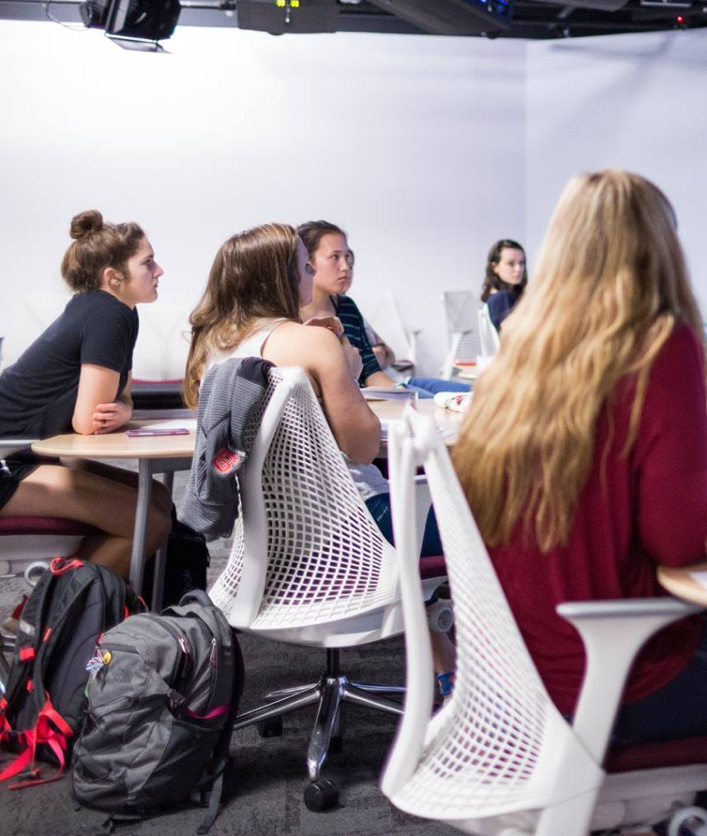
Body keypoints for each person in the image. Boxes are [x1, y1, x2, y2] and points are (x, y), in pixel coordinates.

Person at [456, 170, 707, 828]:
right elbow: (677, 542)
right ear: (662, 247)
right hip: (607, 666)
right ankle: (669, 823)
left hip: (509, 666)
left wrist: (700, 492)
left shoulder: (522, 351)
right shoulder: (661, 346)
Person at [184, 223, 454, 684]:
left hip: (278, 541)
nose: (312, 274)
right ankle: (498, 676)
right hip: (362, 527)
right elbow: (365, 448)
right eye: (305, 266)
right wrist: (346, 365)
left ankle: (446, 663)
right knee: (498, 515)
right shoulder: (315, 342)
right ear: (281, 279)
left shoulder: (216, 348)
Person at [0, 211, 171, 576]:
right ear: (114, 276)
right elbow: (89, 421)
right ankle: (45, 621)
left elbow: (118, 399)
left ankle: (61, 613)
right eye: (148, 263)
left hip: (21, 453)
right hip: (6, 459)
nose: (159, 271)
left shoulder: (117, 311)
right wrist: (117, 409)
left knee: (157, 500)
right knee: (150, 521)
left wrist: (123, 410)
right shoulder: (108, 314)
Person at [296, 220, 469, 399]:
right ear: (307, 262)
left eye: (348, 256)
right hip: (350, 403)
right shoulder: (289, 318)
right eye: (335, 257)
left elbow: (372, 374)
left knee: (459, 398)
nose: (346, 266)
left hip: (379, 392)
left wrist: (402, 392)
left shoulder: (346, 307)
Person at [480, 239, 526, 331]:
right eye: (510, 263)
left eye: (521, 263)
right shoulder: (501, 298)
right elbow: (512, 337)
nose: (518, 269)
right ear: (495, 267)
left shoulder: (504, 296)